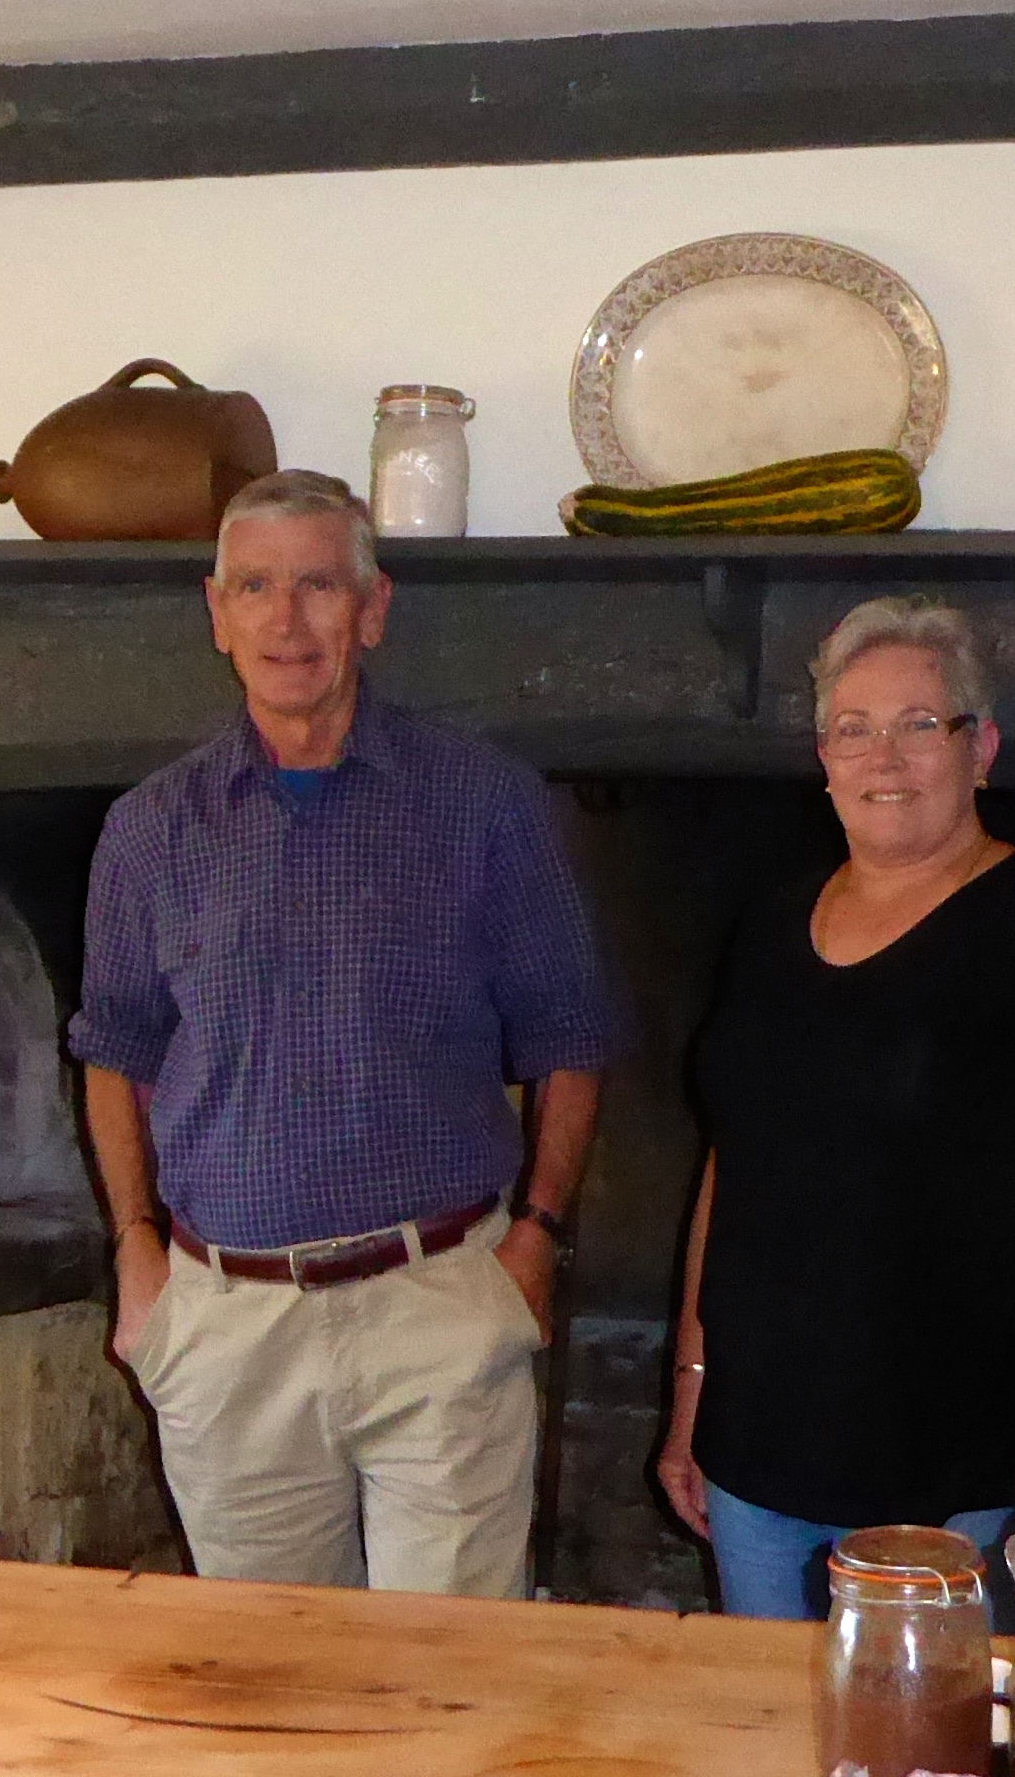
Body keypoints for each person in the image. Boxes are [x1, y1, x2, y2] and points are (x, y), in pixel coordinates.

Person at [71, 469, 619, 1596]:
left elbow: (571, 1031)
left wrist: (538, 1242)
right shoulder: (148, 831)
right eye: (257, 588)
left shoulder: (484, 804)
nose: (288, 620)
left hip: (438, 1308)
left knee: (448, 1684)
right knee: (267, 1685)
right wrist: (135, 1247)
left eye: (320, 585)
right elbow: (114, 1052)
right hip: (227, 1324)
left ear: (373, 610)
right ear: (215, 614)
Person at [658, 598, 1015, 1619]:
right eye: (854, 729)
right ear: (824, 758)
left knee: (930, 1775)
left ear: (978, 748)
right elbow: (736, 1161)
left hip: (954, 1483)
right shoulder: (770, 923)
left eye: (918, 725)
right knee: (774, 1756)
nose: (883, 756)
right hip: (755, 1462)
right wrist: (692, 1385)